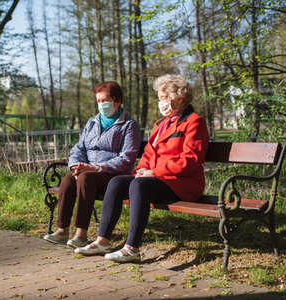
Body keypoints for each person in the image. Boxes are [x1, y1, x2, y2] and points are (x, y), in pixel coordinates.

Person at [75, 74, 209, 262]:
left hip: (181, 183)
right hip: (157, 178)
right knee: (117, 182)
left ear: (178, 98)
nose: (160, 102)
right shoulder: (160, 124)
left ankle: (132, 248)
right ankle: (103, 240)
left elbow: (191, 160)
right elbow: (148, 153)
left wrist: (154, 172)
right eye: (160, 98)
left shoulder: (194, 122)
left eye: (163, 98)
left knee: (140, 186)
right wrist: (141, 169)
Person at [43, 81, 141, 248]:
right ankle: (62, 230)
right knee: (68, 180)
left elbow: (127, 157)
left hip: (111, 174)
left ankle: (81, 233)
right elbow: (79, 148)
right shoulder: (92, 123)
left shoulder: (129, 125)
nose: (101, 105)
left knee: (86, 178)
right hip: (85, 171)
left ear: (117, 101)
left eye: (105, 101)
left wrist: (96, 168)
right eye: (99, 101)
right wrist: (75, 165)